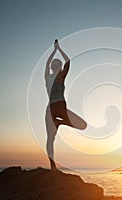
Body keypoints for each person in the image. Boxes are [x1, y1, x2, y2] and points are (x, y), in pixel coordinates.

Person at [45, 39, 87, 170]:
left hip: (56, 108)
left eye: (57, 63)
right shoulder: (52, 76)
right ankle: (52, 166)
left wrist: (56, 49)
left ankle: (60, 122)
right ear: (55, 67)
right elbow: (64, 62)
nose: (56, 64)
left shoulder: (56, 77)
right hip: (54, 108)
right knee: (50, 138)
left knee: (82, 125)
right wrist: (56, 50)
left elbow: (66, 62)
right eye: (55, 63)